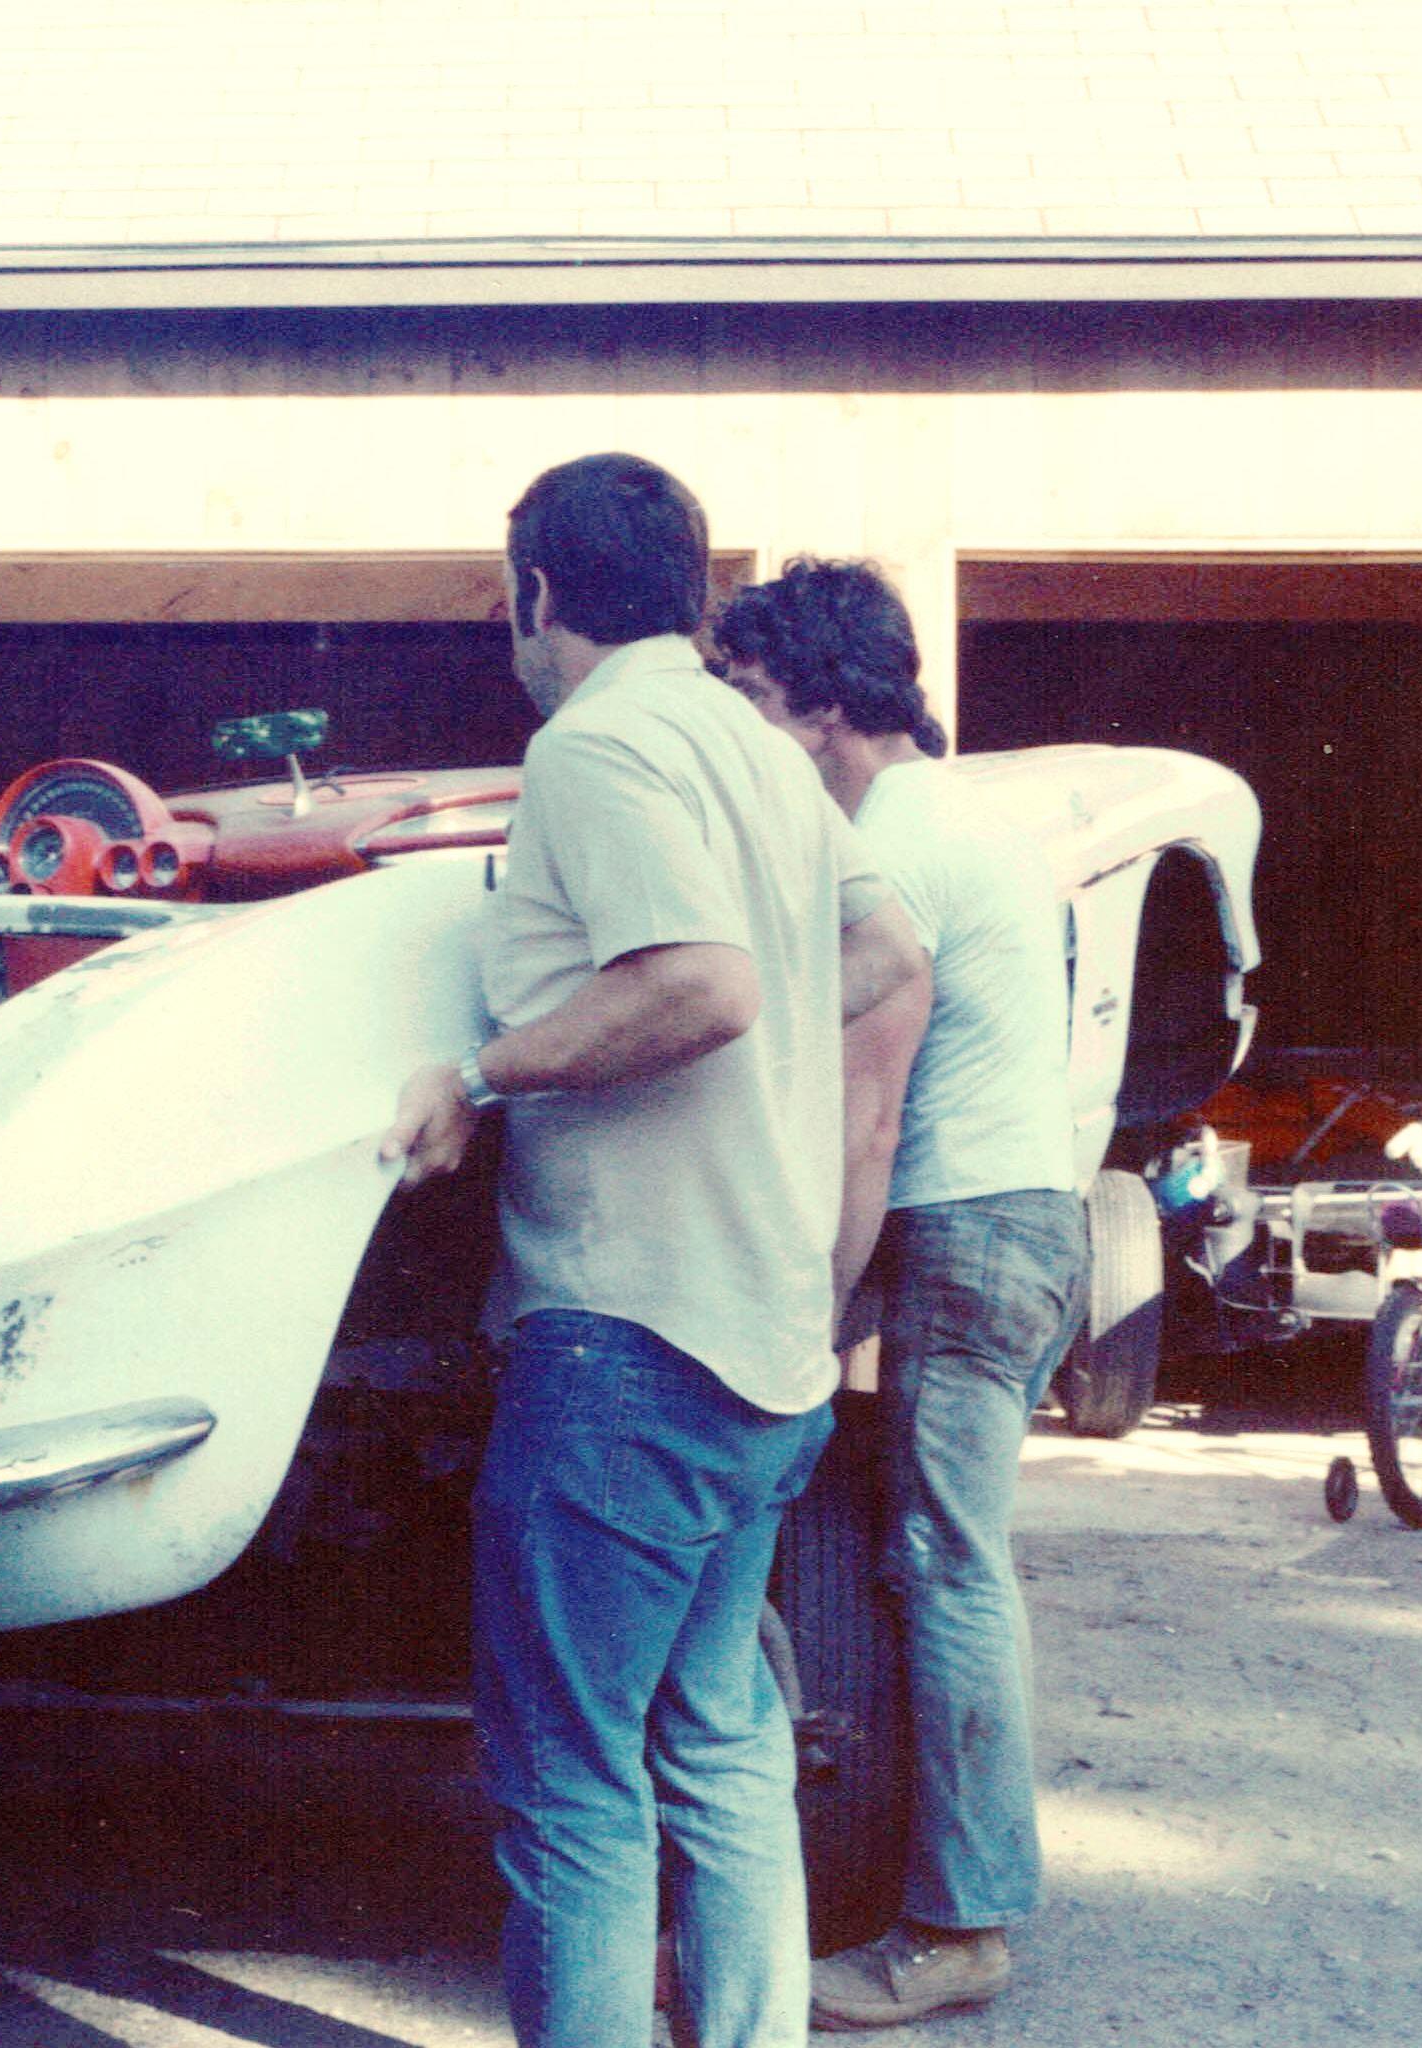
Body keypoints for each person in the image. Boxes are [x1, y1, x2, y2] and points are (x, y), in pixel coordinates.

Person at [380, 455, 928, 2048]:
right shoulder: (756, 748)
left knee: (567, 1777)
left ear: (534, 593)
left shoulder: (595, 741)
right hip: (760, 1331)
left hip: (627, 1336)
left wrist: (480, 1076)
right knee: (719, 1740)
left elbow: (698, 988)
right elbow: (883, 950)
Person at [714, 559, 1084, 2031]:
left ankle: (957, 1929)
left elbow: (861, 1116)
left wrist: (805, 1304)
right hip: (1011, 1213)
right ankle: (944, 1891)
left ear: (817, 704)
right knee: (936, 1549)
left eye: (747, 696)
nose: (740, 727)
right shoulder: (959, 815)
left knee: (944, 1556)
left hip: (966, 1220)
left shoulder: (890, 850)